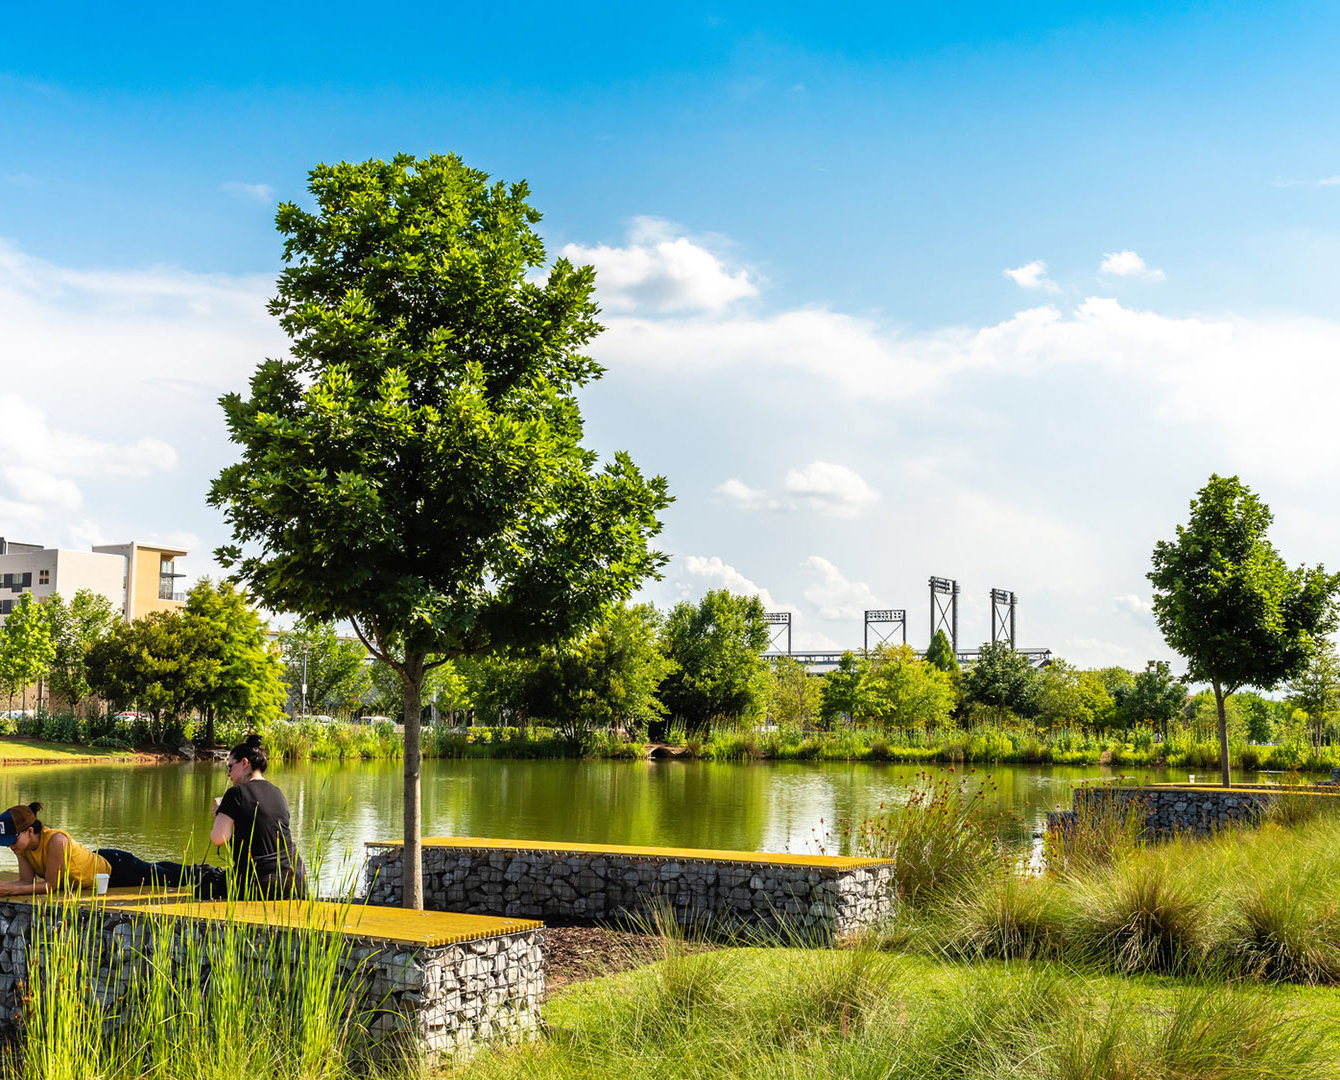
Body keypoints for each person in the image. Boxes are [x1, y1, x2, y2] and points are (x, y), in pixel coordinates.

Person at [0, 802, 192, 895]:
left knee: (165, 877)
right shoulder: (22, 848)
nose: (10, 845)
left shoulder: (56, 841)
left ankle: (203, 874)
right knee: (156, 869)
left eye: (13, 840)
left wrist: (11, 891)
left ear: (30, 831)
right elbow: (26, 881)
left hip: (113, 867)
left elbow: (51, 886)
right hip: (96, 867)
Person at [211, 735, 307, 899]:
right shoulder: (277, 792)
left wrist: (219, 814)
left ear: (244, 763)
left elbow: (218, 838)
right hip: (294, 880)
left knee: (201, 878)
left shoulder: (236, 792)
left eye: (230, 767)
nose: (229, 774)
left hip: (259, 883)